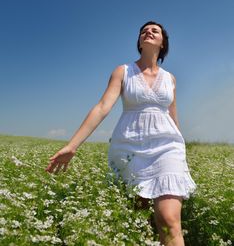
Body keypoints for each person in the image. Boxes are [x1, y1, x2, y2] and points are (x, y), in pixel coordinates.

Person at [45, 20, 197, 246]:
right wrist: (72, 145)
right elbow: (102, 107)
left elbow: (172, 116)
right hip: (130, 148)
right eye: (144, 31)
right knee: (139, 216)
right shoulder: (123, 71)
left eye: (155, 31)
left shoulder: (170, 78)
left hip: (167, 148)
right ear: (139, 41)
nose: (148, 32)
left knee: (168, 219)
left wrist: (181, 150)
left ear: (163, 42)